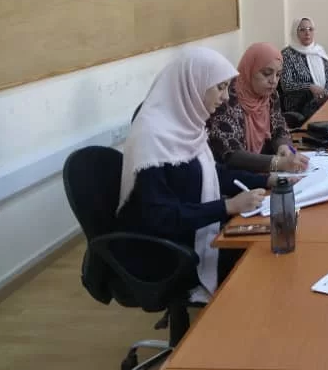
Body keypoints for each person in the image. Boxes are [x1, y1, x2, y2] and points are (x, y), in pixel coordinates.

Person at [116, 47, 273, 302]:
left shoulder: (186, 123)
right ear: (193, 83)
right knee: (259, 260)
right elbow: (160, 217)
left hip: (192, 228)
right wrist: (228, 206)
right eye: (220, 87)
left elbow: (212, 174)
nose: (225, 98)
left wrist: (268, 180)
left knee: (267, 241)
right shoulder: (151, 137)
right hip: (164, 250)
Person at [207, 43, 309, 174]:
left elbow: (279, 127)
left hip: (264, 170)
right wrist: (277, 163)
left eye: (278, 74)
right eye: (267, 73)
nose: (273, 81)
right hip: (235, 176)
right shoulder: (226, 98)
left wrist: (283, 146)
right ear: (249, 70)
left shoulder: (270, 95)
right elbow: (231, 154)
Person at [280, 17, 328, 119]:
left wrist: (325, 93)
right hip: (299, 102)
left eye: (310, 29)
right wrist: (310, 87)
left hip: (323, 98)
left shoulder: (319, 51)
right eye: (302, 30)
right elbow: (286, 85)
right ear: (295, 32)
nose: (307, 33)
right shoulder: (287, 54)